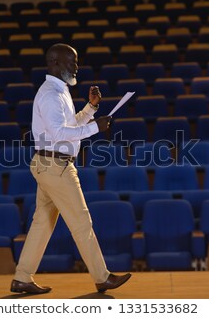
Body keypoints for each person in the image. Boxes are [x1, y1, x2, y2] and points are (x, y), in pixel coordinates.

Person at [10, 43, 131, 294]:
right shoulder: (51, 95)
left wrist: (91, 109)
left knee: (42, 222)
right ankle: (101, 277)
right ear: (54, 63)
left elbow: (69, 125)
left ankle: (22, 277)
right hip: (56, 166)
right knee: (81, 222)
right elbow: (60, 134)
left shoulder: (59, 90)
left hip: (48, 165)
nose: (76, 66)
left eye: (76, 62)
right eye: (71, 61)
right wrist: (96, 127)